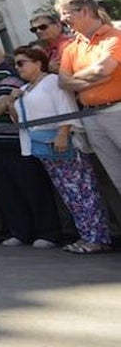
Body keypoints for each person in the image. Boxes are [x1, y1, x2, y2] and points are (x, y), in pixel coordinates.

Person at [11, 46, 111, 254]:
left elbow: (65, 107)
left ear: (38, 62)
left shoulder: (52, 82)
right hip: (43, 146)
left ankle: (97, 237)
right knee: (69, 194)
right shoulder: (26, 89)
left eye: (21, 63)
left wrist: (63, 133)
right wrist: (14, 100)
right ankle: (86, 235)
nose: (17, 68)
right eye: (15, 64)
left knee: (83, 191)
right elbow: (20, 120)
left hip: (62, 142)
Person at [0, 39, 60, 248]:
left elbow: (3, 102)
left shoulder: (10, 73)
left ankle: (47, 232)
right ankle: (19, 231)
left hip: (14, 141)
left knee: (30, 185)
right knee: (6, 190)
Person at [55, 0, 121, 216]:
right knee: (117, 178)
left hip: (117, 112)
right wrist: (94, 78)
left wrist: (80, 80)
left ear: (84, 11)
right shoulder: (71, 48)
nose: (63, 21)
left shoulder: (114, 36)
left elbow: (104, 70)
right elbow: (63, 82)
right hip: (93, 118)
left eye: (65, 15)